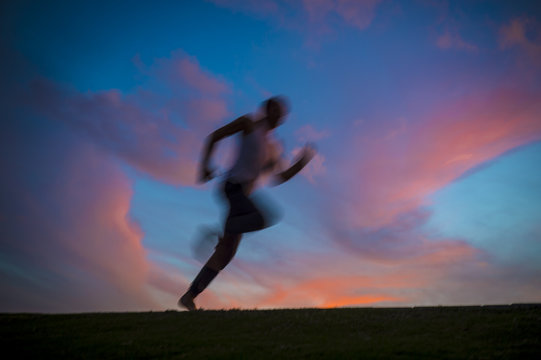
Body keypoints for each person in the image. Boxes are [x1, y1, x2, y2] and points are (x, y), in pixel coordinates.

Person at [179, 96, 316, 311]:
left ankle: (189, 296)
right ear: (265, 110)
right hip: (233, 188)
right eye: (273, 109)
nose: (276, 114)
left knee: (226, 253)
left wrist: (302, 161)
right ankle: (221, 232)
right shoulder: (248, 124)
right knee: (262, 217)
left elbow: (280, 176)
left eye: (280, 112)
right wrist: (205, 167)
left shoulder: (273, 147)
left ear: (282, 118)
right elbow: (215, 136)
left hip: (243, 197)